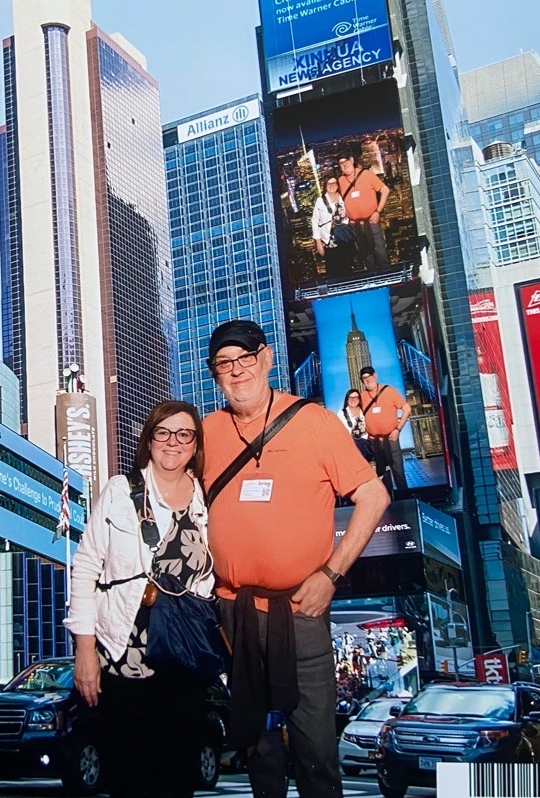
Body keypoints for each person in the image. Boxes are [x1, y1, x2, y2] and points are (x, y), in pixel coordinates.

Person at [202, 319, 390, 798]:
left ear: (266, 359)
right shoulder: (208, 432)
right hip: (234, 611)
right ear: (214, 373)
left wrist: (331, 574)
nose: (237, 370)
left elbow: (374, 496)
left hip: (302, 608)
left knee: (315, 749)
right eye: (224, 363)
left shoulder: (314, 421)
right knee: (257, 747)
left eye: (245, 358)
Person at [65, 400, 214, 798]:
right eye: (163, 432)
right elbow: (85, 568)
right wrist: (84, 652)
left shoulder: (206, 499)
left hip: (184, 656)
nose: (173, 442)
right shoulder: (120, 490)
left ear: (195, 445)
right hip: (123, 653)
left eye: (184, 434)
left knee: (178, 778)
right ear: (149, 440)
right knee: (127, 776)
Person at [359, 365, 411, 493]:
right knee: (381, 474)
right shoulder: (362, 396)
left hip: (391, 439)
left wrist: (398, 429)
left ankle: (404, 497)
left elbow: (406, 408)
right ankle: (387, 499)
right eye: (364, 378)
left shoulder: (389, 391)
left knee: (398, 471)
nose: (367, 380)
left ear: (375, 376)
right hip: (374, 442)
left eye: (369, 376)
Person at [337, 151, 391, 272]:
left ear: (351, 160)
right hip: (355, 226)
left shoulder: (366, 174)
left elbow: (385, 190)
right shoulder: (340, 181)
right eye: (341, 163)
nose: (344, 165)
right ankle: (372, 279)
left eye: (346, 161)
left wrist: (378, 211)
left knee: (381, 253)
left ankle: (388, 278)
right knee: (366, 257)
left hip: (371, 222)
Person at [311, 173, 355, 278]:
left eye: (334, 183)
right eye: (329, 184)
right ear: (325, 186)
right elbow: (314, 221)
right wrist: (318, 242)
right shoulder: (320, 201)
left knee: (347, 266)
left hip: (344, 237)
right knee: (333, 268)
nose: (332, 186)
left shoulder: (343, 198)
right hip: (329, 239)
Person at [337, 388, 373, 462]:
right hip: (351, 447)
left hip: (367, 446)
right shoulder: (341, 413)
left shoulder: (364, 411)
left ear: (359, 399)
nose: (353, 400)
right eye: (350, 397)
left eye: (356, 397)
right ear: (347, 400)